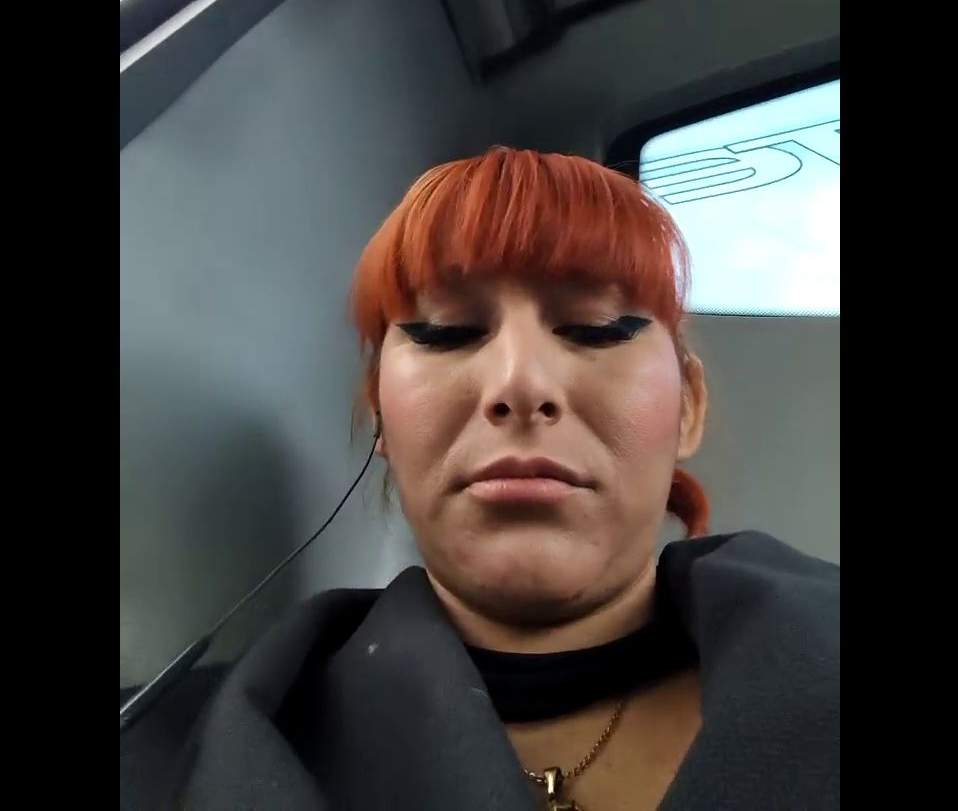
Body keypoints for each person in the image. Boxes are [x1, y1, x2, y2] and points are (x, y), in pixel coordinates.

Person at [130, 148, 839, 810]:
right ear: (381, 416)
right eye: (447, 332)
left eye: (594, 327)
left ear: (688, 405)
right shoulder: (170, 755)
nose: (519, 384)